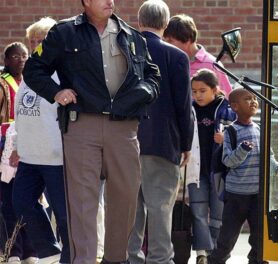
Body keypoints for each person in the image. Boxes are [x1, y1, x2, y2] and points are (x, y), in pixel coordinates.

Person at [23, 0, 161, 263]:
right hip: (81, 124)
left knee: (126, 196)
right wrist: (56, 92)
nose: (110, 1)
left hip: (125, 127)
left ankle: (115, 259)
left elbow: (153, 76)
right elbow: (34, 69)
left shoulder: (131, 35)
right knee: (82, 202)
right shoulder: (64, 33)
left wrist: (144, 92)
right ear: (86, 2)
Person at [127, 1, 193, 264]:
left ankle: (130, 257)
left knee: (131, 210)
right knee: (160, 209)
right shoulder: (176, 56)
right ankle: (159, 259)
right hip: (163, 142)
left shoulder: (123, 51)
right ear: (165, 24)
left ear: (139, 21)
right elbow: (183, 105)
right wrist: (186, 144)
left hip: (126, 141)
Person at [9, 17, 70, 264]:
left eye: (41, 41)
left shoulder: (61, 74)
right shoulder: (28, 74)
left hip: (56, 157)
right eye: (32, 41)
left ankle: (71, 256)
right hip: (30, 155)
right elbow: (22, 114)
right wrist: (16, 145)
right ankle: (49, 250)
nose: (35, 46)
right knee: (21, 202)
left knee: (64, 215)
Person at [208, 88, 278, 264]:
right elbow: (228, 161)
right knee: (227, 238)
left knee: (260, 237)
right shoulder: (231, 132)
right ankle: (215, 261)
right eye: (247, 99)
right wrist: (242, 150)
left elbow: (268, 155)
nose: (253, 102)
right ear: (234, 106)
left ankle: (257, 261)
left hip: (257, 194)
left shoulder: (259, 128)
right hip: (236, 195)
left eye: (254, 98)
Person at [187, 69, 236, 264]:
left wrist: (227, 139)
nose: (198, 95)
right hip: (196, 171)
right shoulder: (189, 109)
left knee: (218, 215)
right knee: (198, 213)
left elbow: (241, 132)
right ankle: (202, 253)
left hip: (219, 171)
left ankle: (217, 253)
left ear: (215, 90)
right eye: (194, 91)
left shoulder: (227, 110)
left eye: (202, 90)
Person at [0, 42, 38, 264]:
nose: (21, 60)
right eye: (15, 57)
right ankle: (12, 251)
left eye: (24, 56)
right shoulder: (3, 84)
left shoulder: (33, 82)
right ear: (6, 61)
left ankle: (31, 251)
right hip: (5, 145)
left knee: (29, 199)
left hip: (30, 144)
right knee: (8, 199)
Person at [163, 14, 233, 97]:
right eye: (164, 41)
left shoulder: (212, 65)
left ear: (187, 39)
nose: (165, 45)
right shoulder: (167, 62)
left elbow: (226, 99)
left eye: (170, 41)